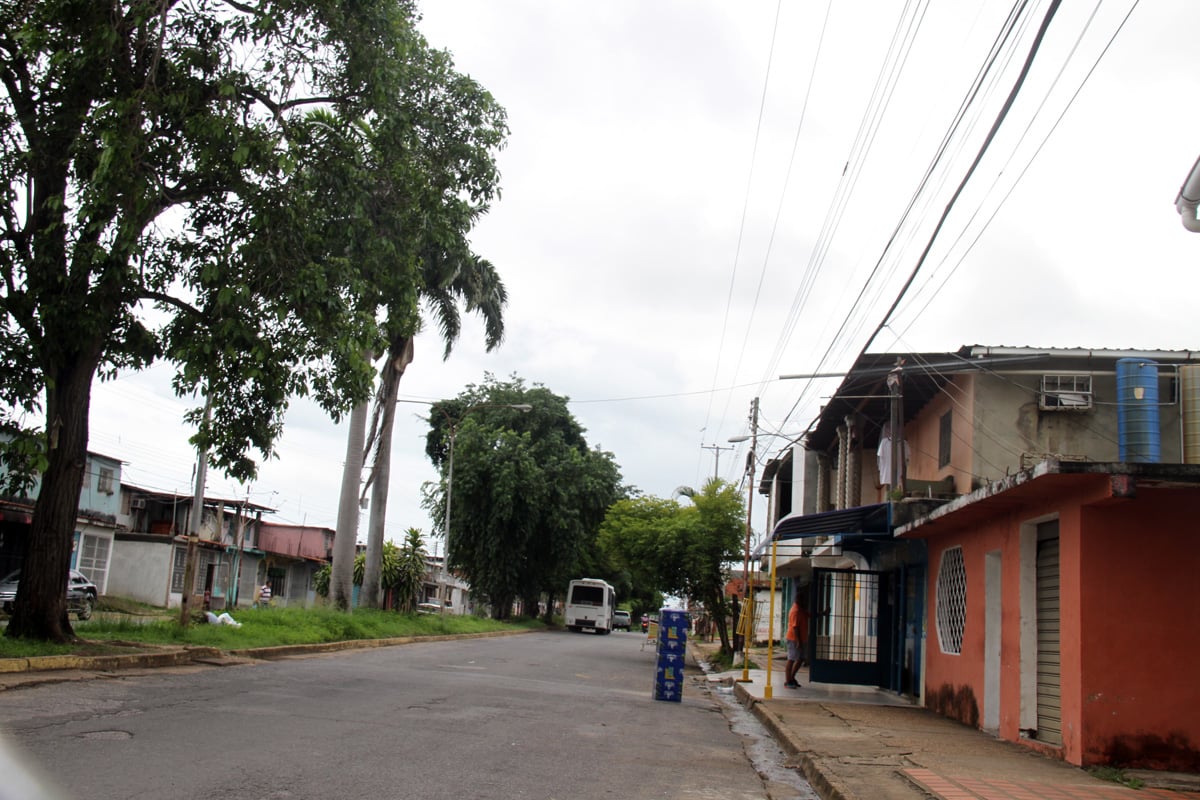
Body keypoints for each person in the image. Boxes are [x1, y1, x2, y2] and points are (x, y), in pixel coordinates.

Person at [785, 591, 808, 688]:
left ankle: (792, 677)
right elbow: (795, 627)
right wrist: (798, 641)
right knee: (791, 659)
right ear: (799, 600)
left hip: (800, 638)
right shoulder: (795, 611)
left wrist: (821, 613)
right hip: (793, 638)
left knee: (800, 658)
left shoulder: (801, 610)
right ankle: (788, 681)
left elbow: (809, 615)